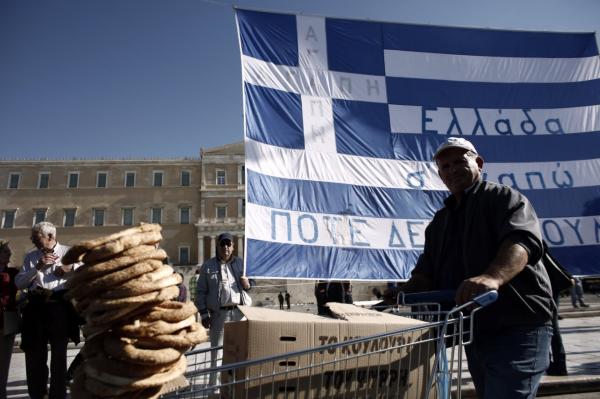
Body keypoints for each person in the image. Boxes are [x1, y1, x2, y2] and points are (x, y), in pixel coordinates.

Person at [385, 137, 553, 399]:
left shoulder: (504, 198)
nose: (452, 170)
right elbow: (425, 272)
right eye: (445, 166)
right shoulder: (440, 221)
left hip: (519, 324)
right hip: (475, 329)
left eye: (459, 162)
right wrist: (401, 293)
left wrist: (492, 277)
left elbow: (521, 243)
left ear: (479, 162)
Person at [15, 222, 80, 399]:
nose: (33, 241)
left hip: (60, 307)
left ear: (50, 237)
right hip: (36, 308)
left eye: (37, 238)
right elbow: (19, 283)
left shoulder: (69, 252)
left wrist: (71, 267)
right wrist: (37, 268)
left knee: (59, 356)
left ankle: (57, 395)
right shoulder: (31, 256)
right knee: (35, 355)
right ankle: (38, 394)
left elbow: (87, 270)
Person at [195, 232, 252, 389]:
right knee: (217, 353)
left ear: (233, 247)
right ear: (218, 246)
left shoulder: (241, 264)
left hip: (239, 313)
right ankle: (214, 388)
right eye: (223, 244)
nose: (226, 247)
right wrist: (204, 314)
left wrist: (248, 283)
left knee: (239, 351)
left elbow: (251, 282)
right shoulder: (208, 266)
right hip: (219, 314)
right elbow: (200, 292)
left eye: (228, 244)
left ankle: (237, 386)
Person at [0, 241, 18, 399]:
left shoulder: (12, 273)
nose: (9, 254)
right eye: (5, 252)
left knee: (4, 363)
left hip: (7, 321)